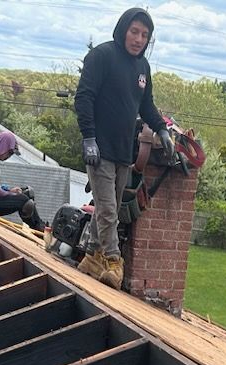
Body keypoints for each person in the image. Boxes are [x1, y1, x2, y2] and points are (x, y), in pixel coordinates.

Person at [74, 7, 175, 289]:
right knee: (107, 208)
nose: (139, 38)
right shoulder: (102, 56)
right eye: (134, 31)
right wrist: (89, 138)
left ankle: (93, 255)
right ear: (123, 29)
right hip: (99, 149)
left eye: (145, 35)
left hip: (122, 152)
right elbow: (84, 98)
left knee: (112, 208)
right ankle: (113, 260)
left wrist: (163, 130)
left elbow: (146, 106)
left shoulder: (143, 68)